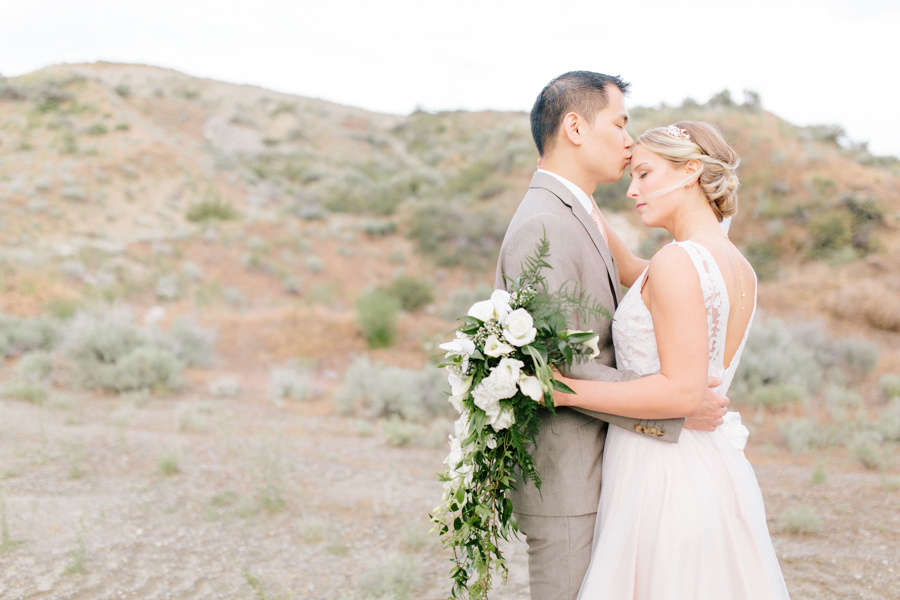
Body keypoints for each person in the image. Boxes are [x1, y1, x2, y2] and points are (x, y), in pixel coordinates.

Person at [494, 71, 730, 600]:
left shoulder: (575, 211)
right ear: (575, 128)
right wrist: (678, 403)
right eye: (620, 123)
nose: (629, 140)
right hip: (568, 485)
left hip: (612, 471)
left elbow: (639, 274)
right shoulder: (546, 226)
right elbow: (563, 370)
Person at [552, 121, 790, 599]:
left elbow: (681, 392)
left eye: (644, 174)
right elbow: (633, 273)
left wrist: (560, 392)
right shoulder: (734, 264)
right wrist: (579, 195)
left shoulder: (678, 262)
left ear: (691, 171)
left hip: (662, 472)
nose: (633, 191)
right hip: (712, 467)